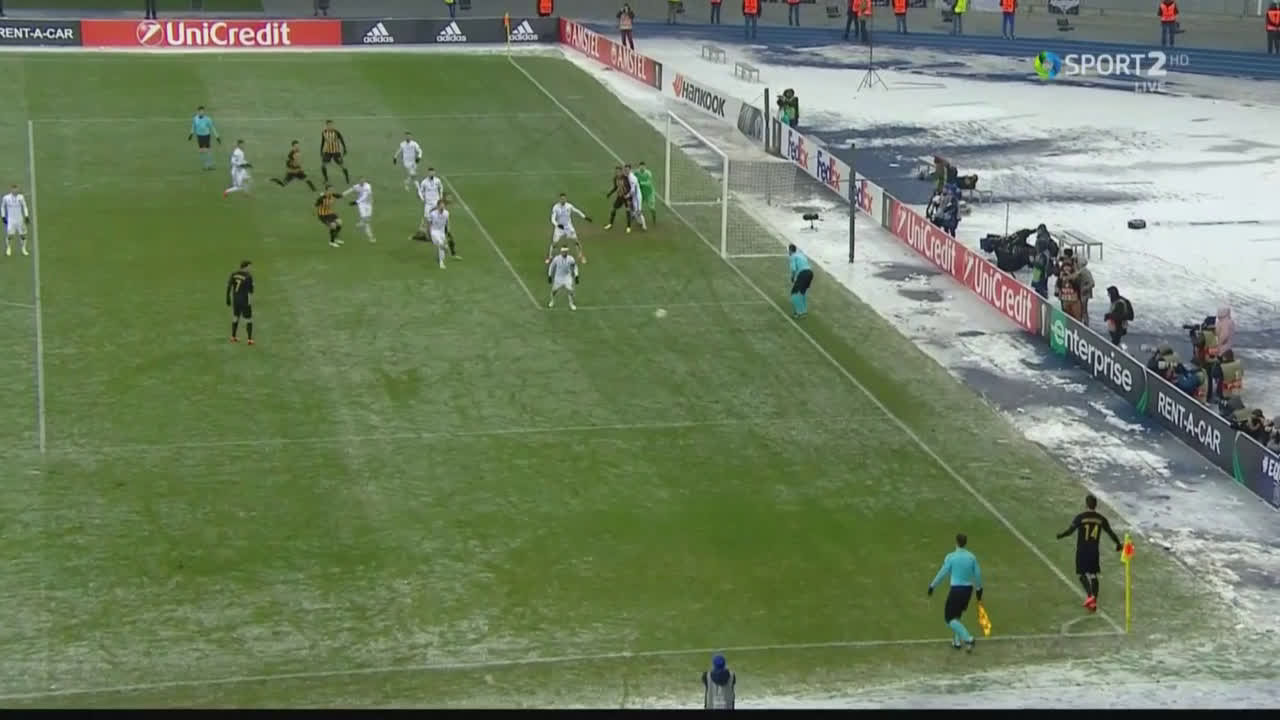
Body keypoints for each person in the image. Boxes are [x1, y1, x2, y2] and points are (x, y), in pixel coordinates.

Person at [1056, 494, 1121, 613]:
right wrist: (1118, 544)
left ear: (1086, 504)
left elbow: (1070, 531)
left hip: (1082, 550)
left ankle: (1090, 595)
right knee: (1093, 575)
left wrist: (1060, 535)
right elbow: (1110, 533)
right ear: (1095, 505)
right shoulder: (1101, 519)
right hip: (1094, 551)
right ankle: (1094, 601)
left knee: (1081, 574)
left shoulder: (1080, 518)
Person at [927, 533, 983, 653]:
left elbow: (942, 573)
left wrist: (932, 586)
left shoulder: (951, 557)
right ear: (965, 543)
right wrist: (979, 589)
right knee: (957, 615)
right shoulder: (972, 557)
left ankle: (969, 639)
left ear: (956, 542)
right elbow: (978, 574)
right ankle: (957, 642)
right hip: (968, 590)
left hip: (957, 590)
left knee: (949, 618)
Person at [549, 192, 591, 264]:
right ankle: (550, 257)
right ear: (559, 199)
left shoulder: (569, 206)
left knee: (576, 241)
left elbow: (577, 211)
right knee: (554, 243)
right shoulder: (556, 207)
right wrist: (557, 225)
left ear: (566, 199)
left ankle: (581, 256)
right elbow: (552, 219)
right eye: (562, 199)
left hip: (569, 227)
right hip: (559, 228)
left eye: (564, 199)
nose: (563, 200)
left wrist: (585, 217)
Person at [226, 260, 255, 345]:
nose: (250, 269)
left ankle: (233, 337)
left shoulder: (234, 274)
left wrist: (227, 298)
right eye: (250, 267)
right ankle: (249, 340)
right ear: (246, 267)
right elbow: (251, 290)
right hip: (244, 300)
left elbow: (229, 286)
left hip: (236, 300)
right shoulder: (248, 276)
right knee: (249, 319)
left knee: (236, 317)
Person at [342, 176, 375, 243]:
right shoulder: (357, 186)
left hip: (369, 204)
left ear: (365, 181)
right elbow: (350, 190)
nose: (362, 182)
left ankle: (362, 222)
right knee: (367, 222)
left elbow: (364, 196)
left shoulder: (368, 186)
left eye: (363, 180)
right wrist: (342, 194)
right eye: (361, 181)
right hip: (362, 205)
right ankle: (371, 237)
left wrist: (356, 202)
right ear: (359, 181)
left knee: (367, 218)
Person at [188, 106, 220, 171]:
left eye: (202, 111)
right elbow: (193, 126)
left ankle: (209, 165)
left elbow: (212, 127)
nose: (201, 112)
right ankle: (205, 165)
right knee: (201, 151)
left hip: (206, 136)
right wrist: (191, 134)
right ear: (198, 112)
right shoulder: (195, 118)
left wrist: (217, 136)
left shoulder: (208, 119)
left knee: (207, 150)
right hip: (199, 136)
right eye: (200, 111)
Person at [547, 245, 579, 310]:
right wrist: (549, 275)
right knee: (554, 291)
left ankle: (571, 304)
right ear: (561, 252)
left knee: (570, 290)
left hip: (567, 277)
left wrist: (576, 275)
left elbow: (575, 267)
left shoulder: (571, 259)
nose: (564, 253)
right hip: (558, 277)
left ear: (567, 252)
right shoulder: (556, 258)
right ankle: (552, 301)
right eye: (563, 251)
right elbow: (551, 266)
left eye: (566, 251)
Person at [1, 184, 30, 258]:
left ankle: (23, 248)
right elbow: (2, 207)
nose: (15, 191)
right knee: (10, 235)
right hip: (11, 220)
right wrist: (3, 216)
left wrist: (26, 216)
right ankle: (8, 248)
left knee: (23, 235)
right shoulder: (6, 198)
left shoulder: (21, 197)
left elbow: (25, 206)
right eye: (14, 190)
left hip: (20, 220)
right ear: (11, 190)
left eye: (16, 190)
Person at [319, 119, 350, 185]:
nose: (330, 126)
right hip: (327, 152)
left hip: (336, 152)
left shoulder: (336, 132)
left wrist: (344, 149)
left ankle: (347, 177)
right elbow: (323, 141)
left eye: (331, 125)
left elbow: (342, 140)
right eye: (329, 125)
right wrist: (321, 151)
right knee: (323, 166)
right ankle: (326, 179)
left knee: (342, 166)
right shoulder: (324, 132)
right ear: (326, 125)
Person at [604, 166, 633, 232]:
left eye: (618, 171)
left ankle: (628, 227)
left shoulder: (626, 178)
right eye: (616, 172)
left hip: (627, 197)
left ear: (621, 172)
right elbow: (615, 187)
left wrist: (629, 197)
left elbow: (630, 188)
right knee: (613, 209)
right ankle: (610, 224)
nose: (617, 173)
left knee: (628, 211)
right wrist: (609, 193)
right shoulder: (615, 179)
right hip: (620, 197)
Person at [788, 243, 813, 318]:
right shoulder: (801, 255)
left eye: (789, 251)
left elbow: (793, 269)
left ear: (790, 250)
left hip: (803, 274)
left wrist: (792, 277)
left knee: (793, 294)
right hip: (810, 273)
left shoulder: (793, 256)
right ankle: (804, 312)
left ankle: (798, 313)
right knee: (802, 293)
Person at [634, 161, 656, 226]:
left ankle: (654, 217)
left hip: (649, 193)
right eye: (641, 167)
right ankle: (639, 219)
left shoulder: (648, 173)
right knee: (638, 207)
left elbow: (649, 183)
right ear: (639, 167)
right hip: (641, 193)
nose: (642, 168)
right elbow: (632, 176)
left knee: (652, 208)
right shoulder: (636, 172)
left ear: (645, 167)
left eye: (643, 167)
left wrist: (640, 183)